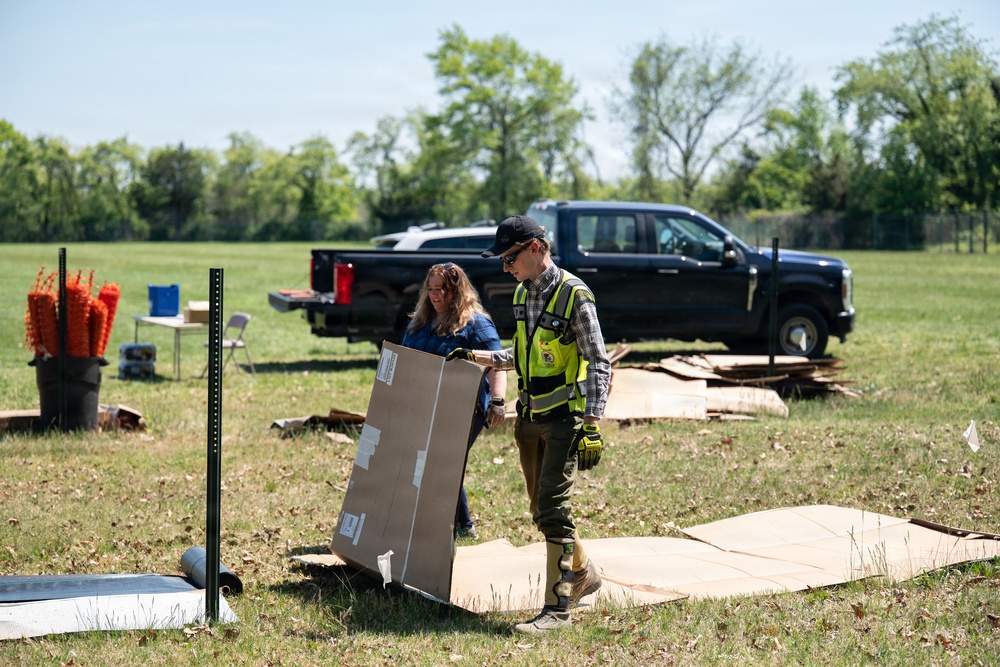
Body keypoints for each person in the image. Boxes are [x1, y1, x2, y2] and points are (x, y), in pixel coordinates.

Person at [446, 215, 612, 635]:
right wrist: (477, 358)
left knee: (554, 510)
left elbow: (598, 361)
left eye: (510, 258)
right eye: (502, 260)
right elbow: (521, 356)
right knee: (541, 511)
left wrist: (592, 423)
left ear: (536, 248)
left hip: (565, 420)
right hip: (530, 419)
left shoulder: (575, 296)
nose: (506, 267)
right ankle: (586, 572)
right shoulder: (522, 294)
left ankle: (557, 611)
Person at [401, 262, 506, 540]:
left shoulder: (476, 323)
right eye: (431, 289)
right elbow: (405, 359)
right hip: (425, 403)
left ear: (457, 291)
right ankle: (457, 524)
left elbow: (497, 363)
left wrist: (497, 400)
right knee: (433, 461)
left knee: (444, 461)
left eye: (442, 290)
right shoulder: (420, 322)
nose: (435, 296)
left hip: (464, 407)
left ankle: (461, 526)